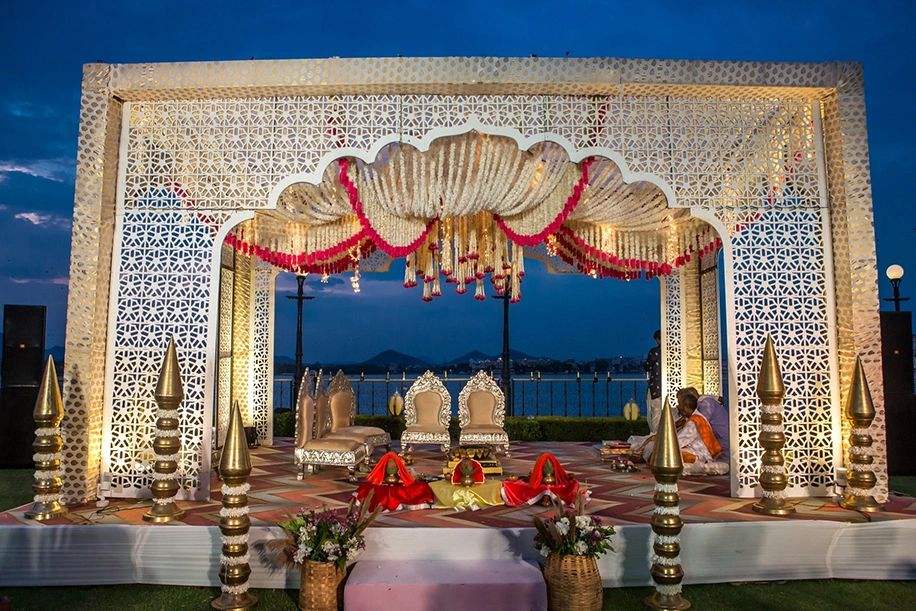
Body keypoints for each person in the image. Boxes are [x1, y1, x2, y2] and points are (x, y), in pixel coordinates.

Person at [627, 387, 722, 465]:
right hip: (693, 450)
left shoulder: (694, 422)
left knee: (663, 454)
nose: (677, 407)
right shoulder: (692, 417)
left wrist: (657, 446)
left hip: (702, 455)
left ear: (686, 407)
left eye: (679, 404)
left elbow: (676, 443)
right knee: (654, 448)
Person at [696, 393, 729, 460]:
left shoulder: (706, 403)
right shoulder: (707, 400)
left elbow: (701, 425)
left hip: (725, 441)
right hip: (723, 440)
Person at [644, 330, 662, 432]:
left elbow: (647, 366)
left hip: (656, 387)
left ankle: (656, 436)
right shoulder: (673, 351)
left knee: (656, 413)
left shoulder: (654, 352)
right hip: (671, 387)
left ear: (658, 339)